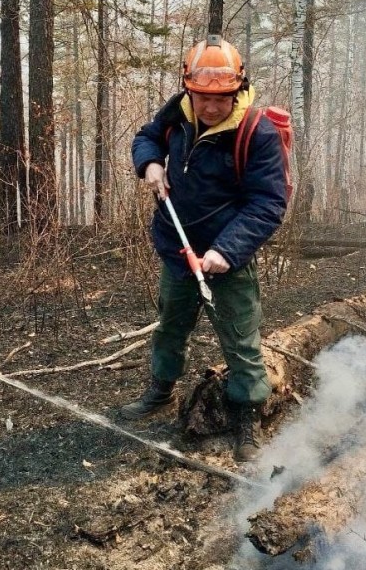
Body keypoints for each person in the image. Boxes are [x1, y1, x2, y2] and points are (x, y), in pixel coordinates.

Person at [122, 35, 288, 463]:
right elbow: (147, 137)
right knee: (170, 328)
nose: (211, 107)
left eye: (222, 98)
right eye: (202, 98)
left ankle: (247, 417)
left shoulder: (258, 133)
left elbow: (268, 204)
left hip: (226, 261)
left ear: (238, 90)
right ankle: (161, 392)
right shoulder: (177, 113)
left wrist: (226, 251)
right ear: (189, 88)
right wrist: (150, 162)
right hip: (177, 251)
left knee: (240, 341)